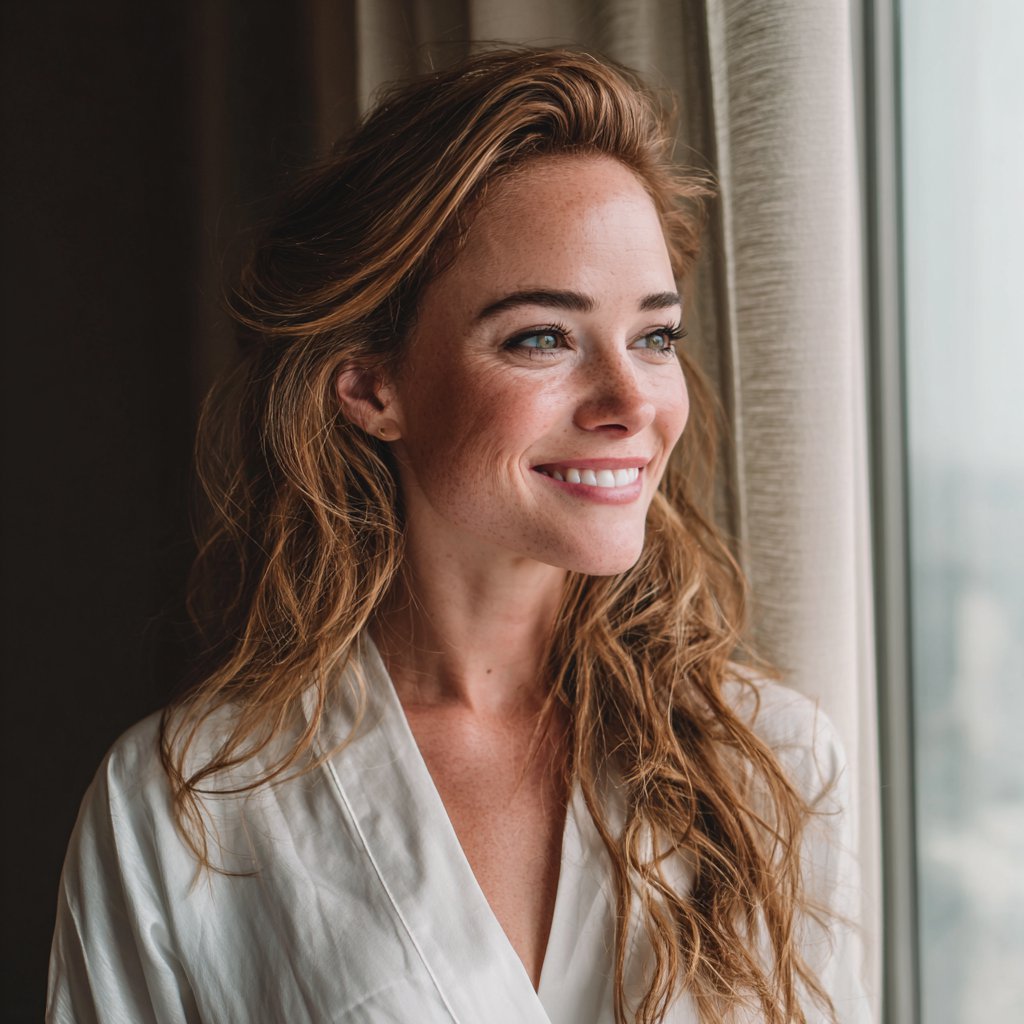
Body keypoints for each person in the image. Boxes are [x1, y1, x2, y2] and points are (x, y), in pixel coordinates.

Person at [47, 47, 870, 1024]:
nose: (628, 401)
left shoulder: (767, 762)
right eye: (542, 338)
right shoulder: (187, 808)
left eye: (654, 336)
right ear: (371, 385)